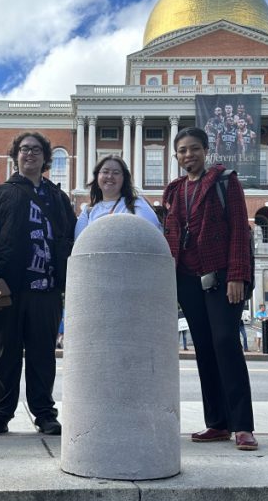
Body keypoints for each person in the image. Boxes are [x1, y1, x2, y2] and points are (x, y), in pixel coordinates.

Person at [162, 126, 257, 451]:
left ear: (205, 151)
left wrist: (237, 275)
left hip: (220, 276)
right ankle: (217, 422)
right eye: (182, 150)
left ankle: (243, 425)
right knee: (203, 348)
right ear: (176, 156)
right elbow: (170, 234)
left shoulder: (224, 181)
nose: (188, 155)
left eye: (194, 149)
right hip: (186, 278)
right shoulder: (174, 191)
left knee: (225, 343)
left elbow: (238, 232)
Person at [0, 132, 75, 436]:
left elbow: (69, 240)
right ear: (16, 156)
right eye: (24, 150)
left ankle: (44, 413)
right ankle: (0, 413)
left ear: (45, 158)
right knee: (3, 352)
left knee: (42, 354)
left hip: (46, 288)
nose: (29, 154)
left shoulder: (58, 198)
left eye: (35, 150)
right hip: (5, 287)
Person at [74, 156, 161, 239]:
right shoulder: (88, 212)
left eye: (116, 173)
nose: (110, 176)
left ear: (124, 179)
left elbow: (153, 236)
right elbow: (79, 245)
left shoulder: (137, 205)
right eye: (105, 172)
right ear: (97, 177)